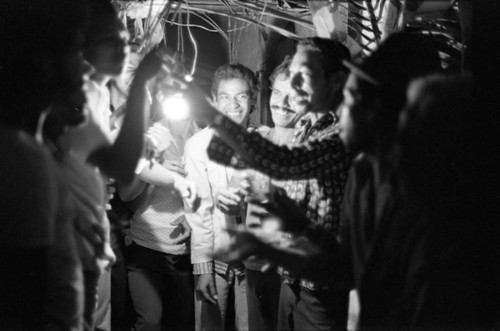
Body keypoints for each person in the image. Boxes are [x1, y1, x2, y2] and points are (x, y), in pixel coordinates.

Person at [199, 37, 352, 331]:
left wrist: (212, 119)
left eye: (303, 75)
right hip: (292, 277)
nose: (292, 88)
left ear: (337, 81)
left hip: (323, 288)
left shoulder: (341, 131)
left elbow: (282, 164)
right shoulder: (308, 127)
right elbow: (291, 198)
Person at [0, 1, 88, 329]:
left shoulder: (33, 146)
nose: (87, 68)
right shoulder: (21, 156)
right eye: (78, 51)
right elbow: (23, 305)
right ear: (44, 61)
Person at [184, 64, 266, 330]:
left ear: (252, 99)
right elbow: (198, 213)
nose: (233, 104)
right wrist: (202, 269)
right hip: (216, 258)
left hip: (257, 261)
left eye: (241, 96)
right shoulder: (198, 145)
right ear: (215, 100)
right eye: (225, 96)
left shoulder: (266, 141)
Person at [120, 97, 199, 330]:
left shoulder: (202, 139)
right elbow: (126, 195)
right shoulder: (149, 138)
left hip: (185, 252)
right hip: (146, 247)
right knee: (150, 322)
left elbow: (208, 196)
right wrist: (156, 173)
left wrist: (190, 215)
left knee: (181, 323)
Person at [243, 58, 301, 331]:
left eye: (291, 95)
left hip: (290, 270)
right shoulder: (259, 140)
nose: (282, 102)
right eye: (277, 93)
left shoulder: (309, 145)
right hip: (256, 263)